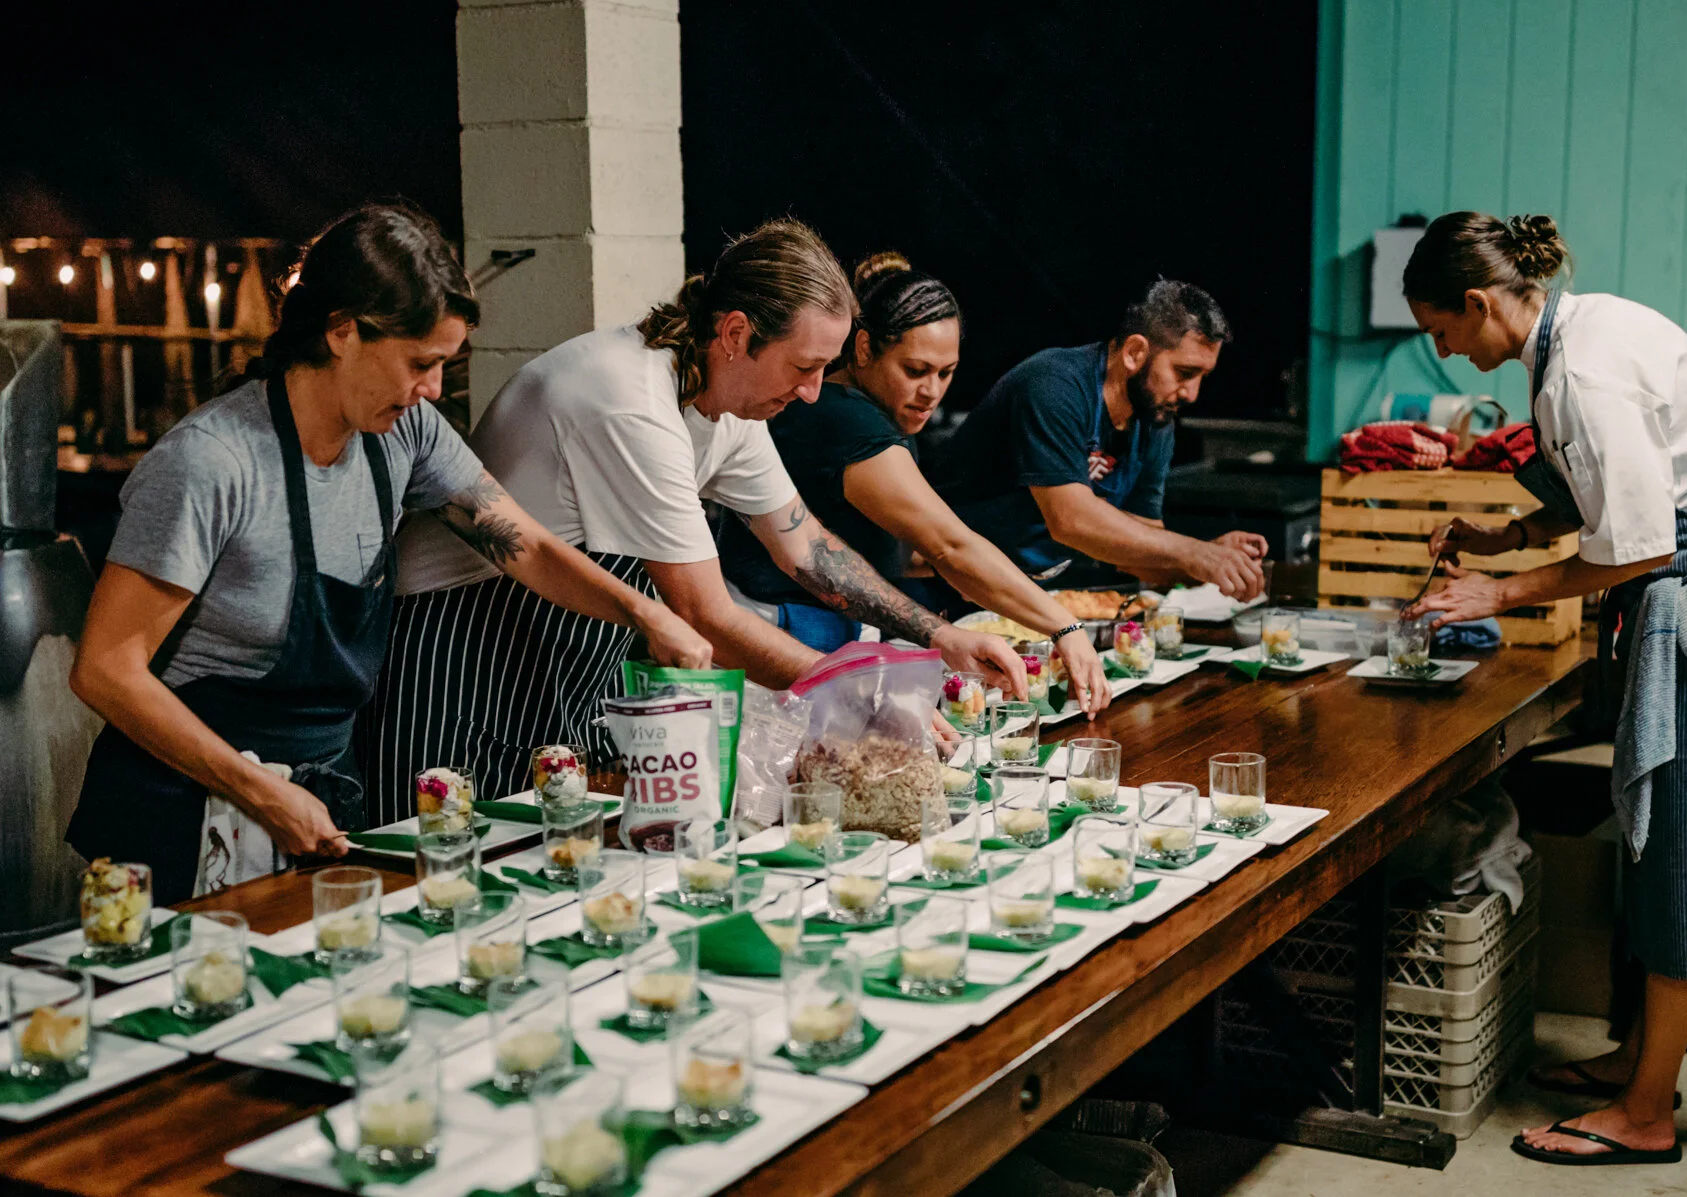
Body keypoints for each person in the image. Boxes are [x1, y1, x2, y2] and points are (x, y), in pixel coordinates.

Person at [65, 204, 709, 903]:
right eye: (420, 364)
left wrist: (645, 613)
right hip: (181, 813)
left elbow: (523, 545)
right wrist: (260, 790)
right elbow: (105, 671)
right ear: (342, 331)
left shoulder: (406, 434)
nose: (432, 389)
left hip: (316, 798)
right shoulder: (211, 463)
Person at [360, 219, 1023, 821]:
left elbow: (807, 549)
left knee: (551, 868)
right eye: (805, 367)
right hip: (460, 648)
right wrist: (862, 696)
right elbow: (705, 613)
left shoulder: (725, 401)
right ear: (736, 334)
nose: (814, 392)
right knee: (436, 866)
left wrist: (938, 635)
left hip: (561, 656)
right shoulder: (630, 402)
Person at [1403, 212, 1687, 1167]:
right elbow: (1595, 493)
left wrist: (1497, 591)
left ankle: (1647, 1112)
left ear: (1479, 302)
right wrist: (1503, 536)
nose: (1444, 351)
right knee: (1659, 844)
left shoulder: (1586, 366)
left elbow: (1641, 544)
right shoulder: (1566, 347)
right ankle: (1637, 1061)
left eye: (1441, 329)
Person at [718, 252, 1113, 715]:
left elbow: (898, 551)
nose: (932, 391)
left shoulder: (880, 416)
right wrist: (1065, 627)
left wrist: (989, 578)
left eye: (946, 373)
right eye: (915, 370)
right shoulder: (844, 419)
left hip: (829, 636)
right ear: (863, 348)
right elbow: (949, 545)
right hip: (777, 639)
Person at [933, 280, 1266, 597]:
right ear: (1134, 352)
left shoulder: (1155, 419)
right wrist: (1195, 553)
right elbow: (1071, 520)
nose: (1192, 394)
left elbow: (1138, 553)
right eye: (1184, 373)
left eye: (1203, 377)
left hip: (1024, 591)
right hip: (947, 581)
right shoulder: (1055, 385)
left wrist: (1213, 559)